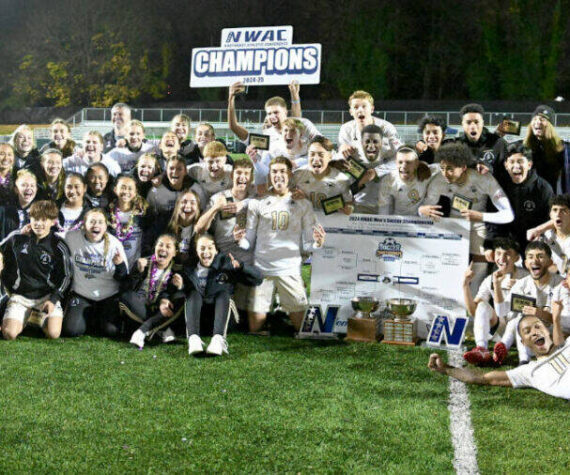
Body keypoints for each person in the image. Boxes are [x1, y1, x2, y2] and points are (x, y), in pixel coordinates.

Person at [235, 156, 326, 333]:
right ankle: (275, 316)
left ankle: (280, 315)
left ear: (290, 174)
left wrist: (318, 243)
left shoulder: (303, 204)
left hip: (289, 269)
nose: (278, 175)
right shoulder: (257, 202)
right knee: (255, 327)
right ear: (270, 175)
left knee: (302, 327)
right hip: (263, 269)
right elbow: (249, 242)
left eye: (282, 171)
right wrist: (240, 240)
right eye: (274, 171)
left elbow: (308, 245)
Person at [428, 313, 570, 400]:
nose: (534, 332)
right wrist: (446, 369)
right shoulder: (528, 372)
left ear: (547, 331)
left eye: (538, 327)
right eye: (527, 331)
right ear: (523, 342)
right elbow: (482, 378)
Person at [0, 200, 72, 340]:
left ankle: (33, 316)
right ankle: (27, 315)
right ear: (30, 219)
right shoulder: (18, 238)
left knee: (53, 333)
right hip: (21, 296)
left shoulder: (58, 245)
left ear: (53, 222)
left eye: (44, 220)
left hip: (46, 297)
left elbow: (67, 276)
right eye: (35, 219)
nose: (39, 224)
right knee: (9, 334)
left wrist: (53, 299)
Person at [182, 233, 262, 356]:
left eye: (210, 248)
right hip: (200, 320)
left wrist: (241, 267)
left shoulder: (225, 263)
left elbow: (258, 279)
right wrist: (179, 286)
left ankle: (218, 340)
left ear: (216, 249)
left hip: (223, 319)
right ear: (196, 250)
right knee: (193, 294)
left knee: (223, 294)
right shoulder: (189, 267)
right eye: (202, 248)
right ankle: (193, 339)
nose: (206, 252)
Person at [195, 157, 256, 316]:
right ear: (231, 176)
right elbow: (200, 228)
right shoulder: (219, 197)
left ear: (251, 178)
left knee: (247, 316)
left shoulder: (257, 198)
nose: (242, 177)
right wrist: (216, 208)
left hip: (249, 261)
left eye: (246, 174)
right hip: (224, 260)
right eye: (239, 173)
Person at [493, 241, 562, 365]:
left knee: (526, 321)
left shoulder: (562, 285)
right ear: (526, 263)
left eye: (540, 256)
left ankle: (516, 352)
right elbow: (501, 312)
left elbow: (566, 324)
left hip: (558, 337)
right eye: (530, 257)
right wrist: (497, 286)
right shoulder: (521, 284)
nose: (535, 261)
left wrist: (541, 314)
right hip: (531, 339)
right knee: (520, 319)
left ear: (550, 262)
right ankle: (523, 359)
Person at [63, 208, 129, 337]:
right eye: (92, 221)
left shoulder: (114, 244)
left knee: (111, 331)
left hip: (107, 296)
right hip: (82, 294)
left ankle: (96, 317)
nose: (96, 225)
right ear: (84, 224)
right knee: (71, 330)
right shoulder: (71, 237)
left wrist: (119, 264)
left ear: (105, 226)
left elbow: (124, 277)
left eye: (100, 222)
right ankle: (89, 316)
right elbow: (51, 237)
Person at [462, 238, 528, 365]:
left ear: (516, 257)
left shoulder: (526, 277)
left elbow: (535, 307)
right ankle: (482, 349)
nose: (502, 258)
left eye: (507, 254)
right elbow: (474, 312)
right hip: (500, 328)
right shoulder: (490, 279)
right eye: (498, 253)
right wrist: (465, 285)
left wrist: (519, 287)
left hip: (522, 331)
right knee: (482, 305)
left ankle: (504, 348)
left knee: (516, 318)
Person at [487, 143, 553, 253]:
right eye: (512, 162)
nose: (516, 166)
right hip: (504, 243)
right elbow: (491, 217)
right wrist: (490, 244)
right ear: (506, 165)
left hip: (533, 243)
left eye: (520, 161)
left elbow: (549, 220)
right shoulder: (498, 186)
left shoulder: (543, 188)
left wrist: (539, 236)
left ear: (529, 164)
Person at [121, 234, 184, 349]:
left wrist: (179, 287)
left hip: (160, 308)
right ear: (155, 248)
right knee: (126, 296)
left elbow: (173, 296)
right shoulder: (144, 262)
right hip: (141, 306)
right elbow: (127, 287)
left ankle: (140, 332)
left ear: (175, 252)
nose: (163, 249)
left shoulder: (178, 270)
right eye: (160, 245)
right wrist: (138, 272)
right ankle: (161, 329)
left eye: (168, 246)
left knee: (181, 297)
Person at [228, 81, 319, 156]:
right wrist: (231, 98)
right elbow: (234, 127)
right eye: (269, 113)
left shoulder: (297, 131)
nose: (272, 116)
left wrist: (295, 95)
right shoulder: (266, 137)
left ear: (285, 112)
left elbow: (296, 120)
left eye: (276, 112)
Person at [291, 136, 353, 214]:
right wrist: (292, 195)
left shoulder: (342, 179)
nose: (316, 159)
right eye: (312, 154)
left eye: (320, 155)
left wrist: (348, 209)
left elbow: (349, 204)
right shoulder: (297, 175)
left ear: (330, 156)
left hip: (330, 224)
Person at [338, 90, 402, 164]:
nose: (360, 110)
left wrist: (378, 171)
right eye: (356, 107)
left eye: (364, 106)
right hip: (358, 170)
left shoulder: (386, 128)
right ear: (351, 112)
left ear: (372, 109)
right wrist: (342, 148)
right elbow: (342, 155)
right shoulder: (346, 129)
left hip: (383, 170)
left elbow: (399, 154)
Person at [146, 156, 205, 234]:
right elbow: (149, 215)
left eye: (179, 169)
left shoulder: (196, 189)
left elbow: (203, 211)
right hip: (164, 229)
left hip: (190, 231)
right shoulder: (156, 190)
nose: (174, 172)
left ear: (185, 171)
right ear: (166, 171)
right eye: (171, 168)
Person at [519, 105, 569, 193]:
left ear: (550, 125)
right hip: (529, 200)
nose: (537, 122)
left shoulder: (563, 149)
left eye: (542, 119)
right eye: (534, 119)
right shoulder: (521, 147)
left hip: (553, 199)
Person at [377, 145, 437, 216]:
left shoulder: (426, 172)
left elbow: (442, 166)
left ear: (416, 163)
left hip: (420, 220)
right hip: (398, 221)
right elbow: (383, 209)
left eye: (408, 162)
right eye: (400, 162)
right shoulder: (389, 180)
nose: (404, 166)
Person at [108, 174, 152, 270]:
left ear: (136, 192)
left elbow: (150, 236)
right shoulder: (107, 212)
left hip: (136, 267)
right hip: (113, 266)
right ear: (115, 189)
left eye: (130, 188)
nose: (126, 191)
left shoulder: (143, 213)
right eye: (123, 187)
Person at [453, 103, 508, 180]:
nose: (473, 126)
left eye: (476, 122)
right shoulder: (455, 146)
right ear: (462, 124)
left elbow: (505, 173)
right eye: (468, 122)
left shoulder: (498, 143)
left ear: (482, 123)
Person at [0, 169, 38, 240]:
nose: (29, 188)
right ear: (16, 189)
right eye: (24, 185)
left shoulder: (41, 211)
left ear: (36, 189)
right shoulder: (4, 211)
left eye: (32, 185)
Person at [166, 190, 201, 266]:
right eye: (184, 202)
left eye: (192, 203)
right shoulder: (164, 223)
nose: (187, 206)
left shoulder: (202, 229)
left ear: (198, 208)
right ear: (177, 205)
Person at [540, 195, 570, 275]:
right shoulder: (545, 237)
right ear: (550, 214)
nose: (558, 214)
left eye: (563, 210)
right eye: (555, 210)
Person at [56, 173, 90, 237]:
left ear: (85, 188)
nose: (72, 191)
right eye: (69, 187)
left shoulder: (90, 212)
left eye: (77, 187)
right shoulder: (54, 207)